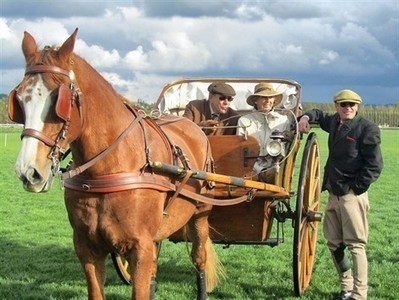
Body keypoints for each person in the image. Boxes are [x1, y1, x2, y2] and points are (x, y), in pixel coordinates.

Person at [298, 89, 383, 300]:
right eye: (343, 104)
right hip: (333, 194)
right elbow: (317, 113)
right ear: (336, 106)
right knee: (334, 243)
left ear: (357, 107)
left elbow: (374, 166)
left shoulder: (367, 129)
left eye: (352, 104)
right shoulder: (335, 122)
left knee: (356, 245)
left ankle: (359, 294)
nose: (348, 108)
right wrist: (305, 117)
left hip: (352, 195)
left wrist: (356, 189)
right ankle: (346, 287)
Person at [236, 82, 292, 181]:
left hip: (275, 166)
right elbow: (240, 149)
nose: (267, 101)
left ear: (274, 100)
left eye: (270, 97)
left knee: (276, 172)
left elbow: (288, 148)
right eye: (263, 97)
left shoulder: (283, 120)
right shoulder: (244, 120)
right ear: (255, 101)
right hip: (250, 168)